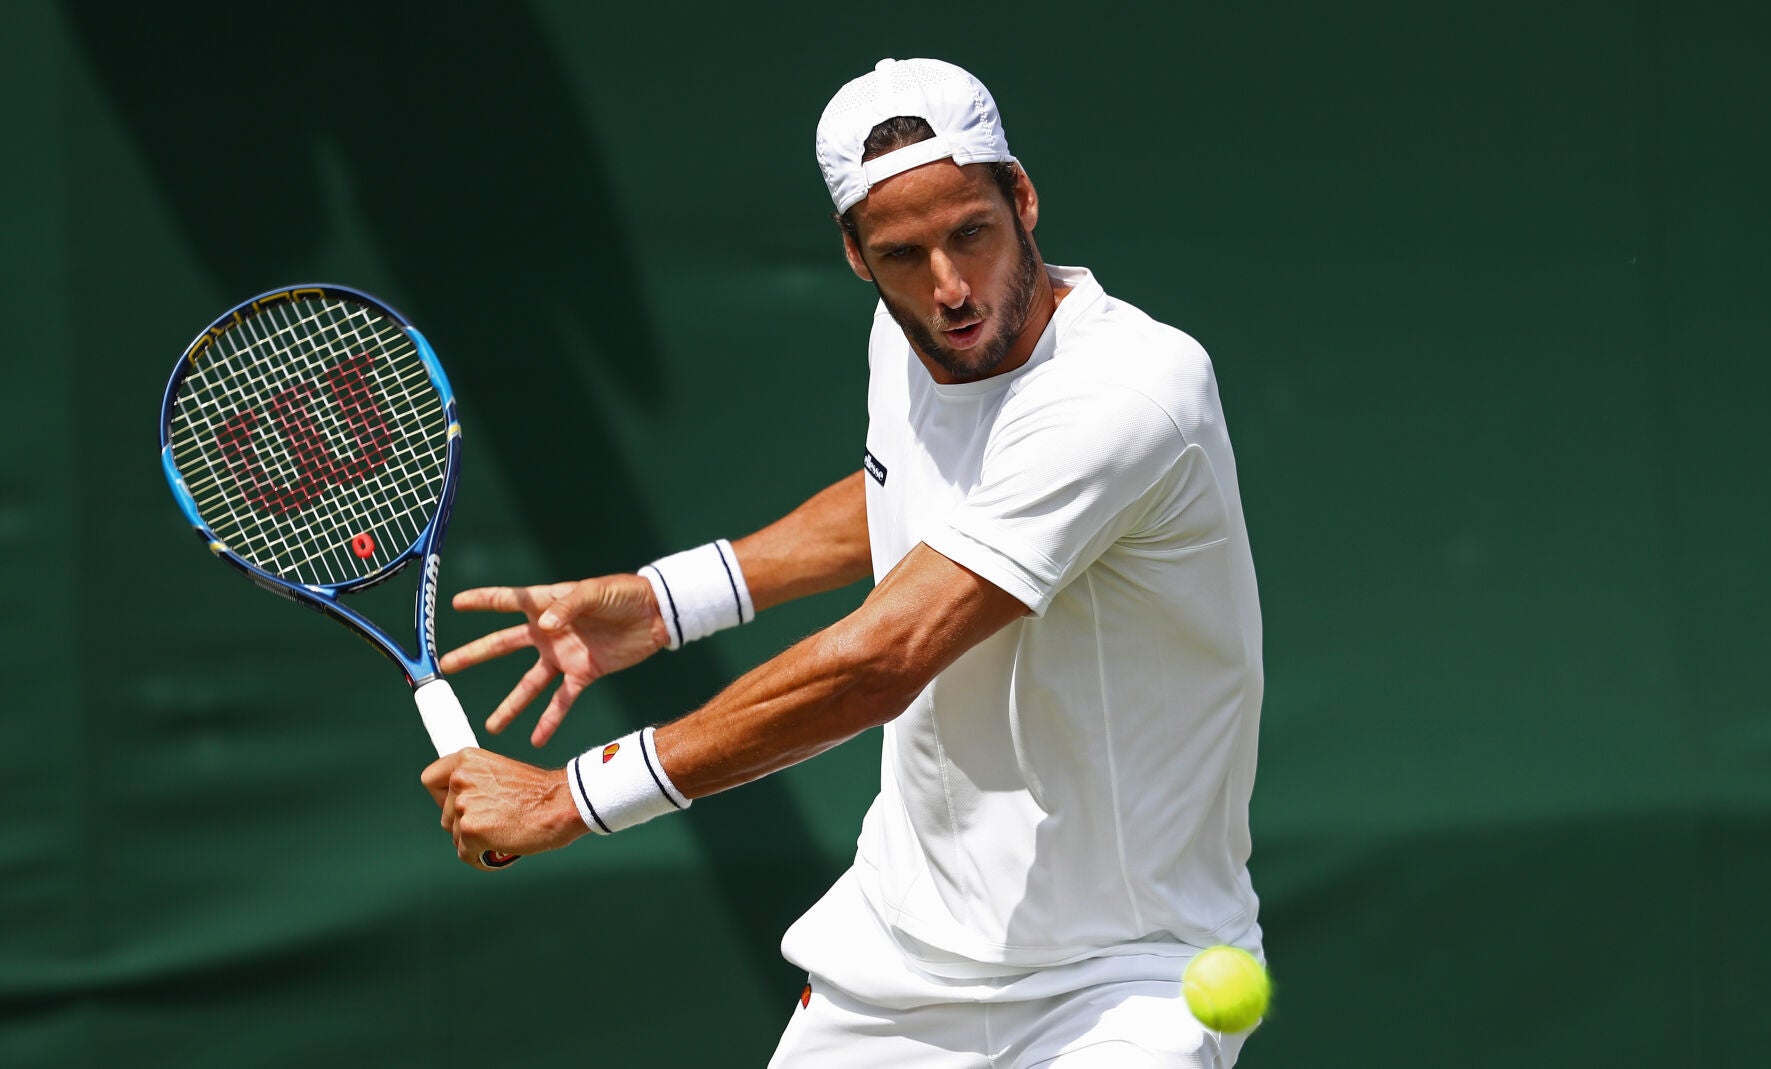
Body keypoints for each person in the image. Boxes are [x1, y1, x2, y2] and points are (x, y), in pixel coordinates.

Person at [422, 57, 1265, 1068]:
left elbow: (883, 656)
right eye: (904, 254)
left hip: (1118, 979)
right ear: (855, 254)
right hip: (899, 952)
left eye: (972, 235)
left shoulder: (1129, 391)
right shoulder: (904, 338)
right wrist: (668, 601)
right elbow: (904, 493)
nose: (949, 288)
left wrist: (570, 799)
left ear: (1022, 196)